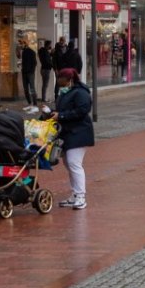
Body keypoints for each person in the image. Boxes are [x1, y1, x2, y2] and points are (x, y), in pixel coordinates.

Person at [52, 68, 94, 208]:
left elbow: (82, 110)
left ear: (69, 80)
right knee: (69, 164)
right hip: (68, 133)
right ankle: (75, 194)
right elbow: (62, 110)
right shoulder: (65, 92)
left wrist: (62, 116)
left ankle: (81, 196)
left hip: (79, 132)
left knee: (74, 163)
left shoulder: (81, 92)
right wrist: (52, 113)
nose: (58, 82)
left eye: (60, 79)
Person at [19, 39, 38, 105]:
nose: (21, 45)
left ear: (25, 44)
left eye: (21, 44)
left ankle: (33, 102)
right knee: (27, 88)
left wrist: (31, 70)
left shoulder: (31, 52)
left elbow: (34, 63)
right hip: (26, 72)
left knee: (30, 88)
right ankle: (30, 102)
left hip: (29, 72)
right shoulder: (23, 52)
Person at [39, 40, 54, 104]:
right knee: (45, 85)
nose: (51, 46)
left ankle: (43, 98)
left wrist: (50, 53)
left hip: (43, 69)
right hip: (46, 70)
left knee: (44, 84)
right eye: (50, 45)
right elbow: (47, 61)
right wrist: (53, 66)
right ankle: (43, 98)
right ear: (48, 45)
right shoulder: (45, 52)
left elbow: (45, 58)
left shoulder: (42, 51)